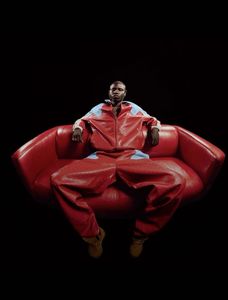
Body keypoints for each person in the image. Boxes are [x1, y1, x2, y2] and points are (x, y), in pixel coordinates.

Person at [51, 81, 186, 258]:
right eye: (113, 89)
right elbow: (81, 120)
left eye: (120, 89)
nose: (116, 92)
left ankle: (140, 235)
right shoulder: (99, 108)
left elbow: (153, 119)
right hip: (101, 158)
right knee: (58, 180)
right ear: (109, 91)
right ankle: (93, 235)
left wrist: (154, 129)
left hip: (131, 157)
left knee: (176, 181)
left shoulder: (134, 108)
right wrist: (77, 129)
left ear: (125, 92)